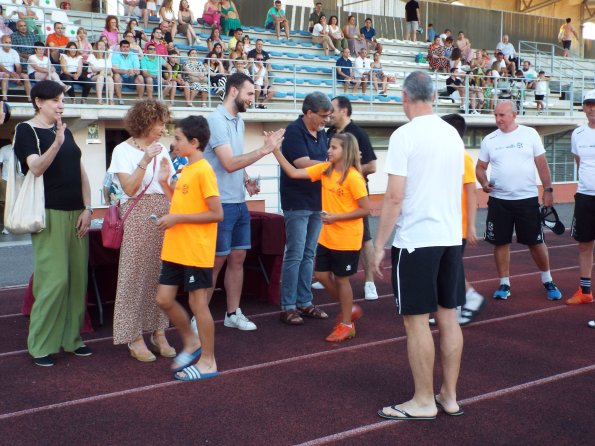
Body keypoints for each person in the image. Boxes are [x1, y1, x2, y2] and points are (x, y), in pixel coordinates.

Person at [372, 71, 465, 420]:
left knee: (416, 322)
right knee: (449, 318)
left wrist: (379, 243)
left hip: (417, 242)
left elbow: (394, 197)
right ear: (435, 96)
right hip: (448, 238)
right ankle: (449, 396)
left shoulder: (404, 135)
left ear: (404, 98)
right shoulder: (452, 136)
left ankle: (424, 401)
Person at [13, 80, 94, 367]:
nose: (61, 105)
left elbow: (81, 171)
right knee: (54, 280)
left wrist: (88, 207)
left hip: (77, 213)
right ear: (38, 102)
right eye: (55, 100)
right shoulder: (26, 130)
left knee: (76, 280)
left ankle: (72, 339)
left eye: (62, 100)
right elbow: (35, 167)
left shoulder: (66, 130)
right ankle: (40, 344)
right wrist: (57, 143)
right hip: (48, 214)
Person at [201, 73, 284, 331]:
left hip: (237, 202)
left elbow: (235, 160)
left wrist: (246, 179)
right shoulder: (215, 120)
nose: (252, 98)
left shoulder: (238, 122)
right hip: (219, 204)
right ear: (234, 91)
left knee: (238, 257)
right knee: (216, 262)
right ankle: (198, 318)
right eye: (249, 93)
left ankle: (232, 313)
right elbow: (226, 163)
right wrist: (264, 150)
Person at [275, 132, 369, 341]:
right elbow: (292, 172)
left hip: (346, 238)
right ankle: (349, 308)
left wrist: (337, 217)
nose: (328, 151)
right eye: (329, 146)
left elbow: (366, 210)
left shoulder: (353, 177)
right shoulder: (325, 170)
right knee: (323, 276)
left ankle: (347, 324)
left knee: (342, 280)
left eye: (334, 147)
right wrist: (273, 149)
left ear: (347, 152)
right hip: (327, 237)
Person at [107, 98, 176, 362]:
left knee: (161, 275)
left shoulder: (163, 149)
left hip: (163, 212)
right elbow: (129, 189)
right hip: (137, 214)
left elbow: (166, 184)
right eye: (159, 123)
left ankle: (159, 332)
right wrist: (145, 160)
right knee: (133, 275)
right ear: (146, 122)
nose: (162, 128)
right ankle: (133, 336)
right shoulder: (122, 151)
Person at [155, 116, 222, 381]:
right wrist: (163, 183)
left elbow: (216, 214)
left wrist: (177, 219)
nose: (173, 143)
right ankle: (191, 342)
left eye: (178, 138)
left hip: (195, 248)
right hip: (176, 246)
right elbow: (182, 207)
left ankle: (209, 361)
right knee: (163, 299)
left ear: (194, 143)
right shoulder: (185, 170)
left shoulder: (204, 170)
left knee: (198, 304)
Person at [475, 101, 562, 301]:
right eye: (495, 115)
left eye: (502, 115)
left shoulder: (530, 134)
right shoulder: (490, 139)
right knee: (500, 243)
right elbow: (480, 167)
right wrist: (484, 182)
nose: (498, 119)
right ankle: (504, 284)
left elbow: (542, 164)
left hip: (527, 200)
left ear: (514, 114)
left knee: (536, 242)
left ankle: (547, 279)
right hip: (499, 201)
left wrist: (548, 190)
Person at [277, 92, 331, 326]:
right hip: (297, 201)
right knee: (295, 254)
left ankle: (304, 301)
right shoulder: (293, 131)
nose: (326, 120)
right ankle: (288, 305)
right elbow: (302, 163)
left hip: (317, 201)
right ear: (309, 112)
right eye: (323, 116)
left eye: (328, 116)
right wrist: (335, 164)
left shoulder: (322, 134)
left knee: (309, 253)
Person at [327, 95, 378, 300]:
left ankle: (370, 282)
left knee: (364, 238)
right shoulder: (329, 133)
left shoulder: (358, 134)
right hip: (331, 196)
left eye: (332, 109)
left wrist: (345, 174)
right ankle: (328, 275)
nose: (329, 113)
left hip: (354, 196)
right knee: (329, 235)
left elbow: (372, 166)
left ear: (344, 111)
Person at [440, 114, 486, 325]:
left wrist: (471, 226)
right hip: (446, 223)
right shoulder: (448, 156)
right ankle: (454, 308)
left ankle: (470, 297)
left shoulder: (463, 157)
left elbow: (471, 192)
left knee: (452, 268)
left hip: (458, 226)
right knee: (447, 268)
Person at [566, 90, 595, 321]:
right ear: (583, 107)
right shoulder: (578, 134)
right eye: (588, 104)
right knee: (584, 245)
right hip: (585, 196)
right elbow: (580, 162)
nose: (592, 108)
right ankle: (585, 292)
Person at [112, 39, 144, 104]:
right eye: (123, 47)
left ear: (129, 47)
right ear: (120, 48)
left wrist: (133, 72)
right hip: (121, 77)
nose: (125, 49)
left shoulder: (134, 55)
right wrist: (126, 71)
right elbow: (115, 70)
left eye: (127, 47)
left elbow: (137, 70)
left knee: (140, 77)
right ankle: (120, 99)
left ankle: (140, 100)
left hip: (132, 77)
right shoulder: (115, 55)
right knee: (116, 76)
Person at [0, 34, 31, 101]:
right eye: (6, 42)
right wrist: (12, 75)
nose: (8, 44)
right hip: (2, 73)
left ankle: (29, 98)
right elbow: (1, 67)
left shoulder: (14, 52)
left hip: (13, 73)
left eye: (10, 42)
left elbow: (18, 66)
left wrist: (18, 76)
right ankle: (5, 97)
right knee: (6, 75)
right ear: (1, 43)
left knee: (25, 76)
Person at [86, 39, 114, 105]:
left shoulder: (107, 57)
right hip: (93, 76)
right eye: (100, 45)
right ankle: (99, 100)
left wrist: (101, 69)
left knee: (110, 79)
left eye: (103, 45)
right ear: (96, 46)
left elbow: (109, 70)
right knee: (100, 77)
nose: (102, 47)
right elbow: (94, 69)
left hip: (106, 75)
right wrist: (104, 68)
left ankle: (111, 100)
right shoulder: (92, 56)